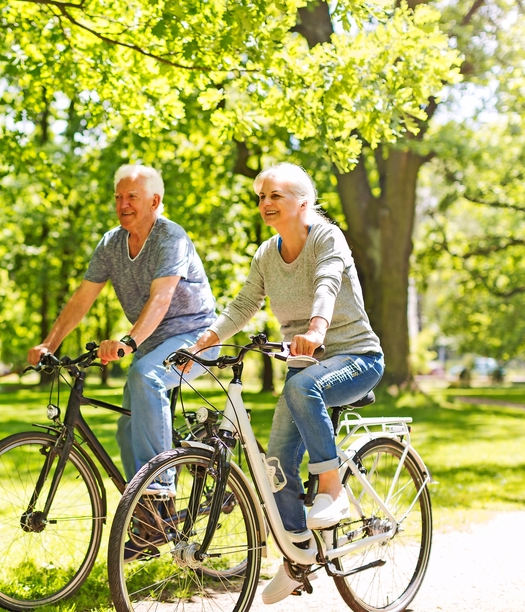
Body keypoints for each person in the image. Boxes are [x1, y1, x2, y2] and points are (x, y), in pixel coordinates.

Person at [184, 162, 384, 604]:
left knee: (300, 387)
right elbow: (243, 305)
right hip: (305, 366)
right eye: (261, 197)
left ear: (303, 203)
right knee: (275, 465)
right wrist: (207, 340)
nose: (266, 203)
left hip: (356, 357)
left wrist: (315, 329)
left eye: (275, 195)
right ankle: (298, 558)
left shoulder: (327, 238)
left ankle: (332, 489)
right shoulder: (266, 255)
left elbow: (327, 284)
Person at [27, 163, 219, 497]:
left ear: (154, 201)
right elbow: (82, 298)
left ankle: (159, 489)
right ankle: (146, 519)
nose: (123, 204)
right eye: (118, 197)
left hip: (195, 338)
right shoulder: (111, 244)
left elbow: (161, 298)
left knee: (145, 375)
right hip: (150, 343)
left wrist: (129, 342)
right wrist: (49, 344)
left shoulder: (170, 237)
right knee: (127, 427)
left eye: (132, 196)